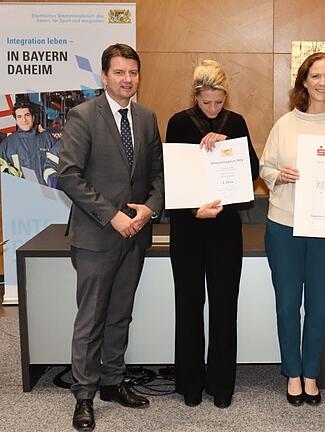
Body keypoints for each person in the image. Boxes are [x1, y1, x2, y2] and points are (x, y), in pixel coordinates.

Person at [57, 43, 164, 432]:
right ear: (104, 76)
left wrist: (150, 208)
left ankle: (113, 381)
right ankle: (84, 395)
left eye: (133, 72)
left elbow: (158, 175)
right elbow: (68, 176)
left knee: (120, 313)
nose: (127, 79)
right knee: (91, 318)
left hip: (135, 235)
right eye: (119, 72)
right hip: (96, 236)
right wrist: (113, 216)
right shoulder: (83, 116)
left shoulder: (148, 118)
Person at [260, 52, 325, 406]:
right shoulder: (285, 123)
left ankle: (311, 374)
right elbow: (265, 168)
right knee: (287, 305)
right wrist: (277, 175)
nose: (322, 83)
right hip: (284, 226)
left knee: (318, 306)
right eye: (315, 76)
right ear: (304, 81)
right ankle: (293, 373)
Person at [165, 60, 259, 409]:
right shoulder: (177, 122)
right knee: (188, 305)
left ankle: (222, 384)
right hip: (188, 228)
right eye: (207, 102)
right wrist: (194, 210)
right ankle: (190, 383)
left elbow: (252, 171)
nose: (213, 108)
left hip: (225, 229)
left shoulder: (235, 123)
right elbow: (172, 178)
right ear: (196, 96)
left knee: (223, 306)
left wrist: (228, 145)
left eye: (218, 101)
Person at [0, 101, 59, 187]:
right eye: (19, 117)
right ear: (16, 120)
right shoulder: (7, 145)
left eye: (27, 115)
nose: (24, 120)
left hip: (49, 194)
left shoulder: (47, 138)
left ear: (33, 117)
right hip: (21, 196)